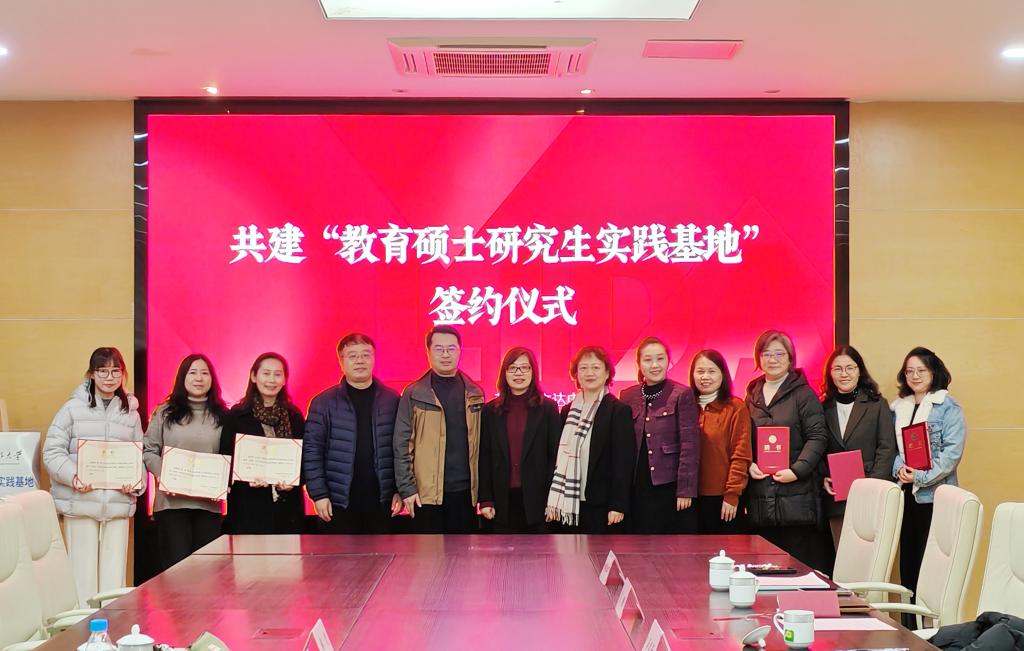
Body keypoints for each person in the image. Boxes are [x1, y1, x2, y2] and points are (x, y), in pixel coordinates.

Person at [43, 347, 144, 606]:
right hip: (80, 503)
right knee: (81, 577)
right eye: (103, 371)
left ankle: (112, 626)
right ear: (91, 374)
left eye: (115, 371)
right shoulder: (72, 409)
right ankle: (81, 627)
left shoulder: (130, 413)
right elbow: (52, 452)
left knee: (114, 581)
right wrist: (74, 476)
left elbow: (139, 454)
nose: (110, 377)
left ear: (123, 374)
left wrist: (136, 483)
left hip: (117, 504)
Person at [744, 330, 831, 573]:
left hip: (797, 498)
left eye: (779, 354)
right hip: (761, 496)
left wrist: (797, 470)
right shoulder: (752, 395)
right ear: (759, 358)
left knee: (796, 570)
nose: (773, 359)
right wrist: (749, 463)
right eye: (767, 354)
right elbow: (744, 437)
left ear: (790, 358)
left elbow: (817, 437)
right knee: (764, 570)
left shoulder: (803, 394)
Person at [302, 333, 402, 534]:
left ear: (373, 358)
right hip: (338, 501)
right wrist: (319, 495)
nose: (360, 360)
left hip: (382, 501)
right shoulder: (323, 403)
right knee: (340, 554)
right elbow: (312, 452)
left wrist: (400, 490)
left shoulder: (392, 400)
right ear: (341, 361)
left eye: (366, 355)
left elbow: (403, 449)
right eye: (352, 356)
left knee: (382, 553)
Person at [891, 347, 965, 615]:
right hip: (906, 496)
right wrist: (900, 470)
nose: (915, 376)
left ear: (934, 372)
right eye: (909, 371)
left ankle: (931, 627)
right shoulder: (898, 408)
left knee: (931, 566)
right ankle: (909, 626)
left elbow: (952, 453)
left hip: (935, 496)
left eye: (921, 370)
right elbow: (891, 448)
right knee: (908, 565)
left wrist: (921, 476)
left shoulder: (947, 406)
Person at [394, 326, 485, 533]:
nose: (445, 354)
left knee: (464, 552)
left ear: (460, 351)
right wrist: (407, 488)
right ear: (428, 352)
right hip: (425, 495)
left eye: (451, 349)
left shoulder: (475, 393)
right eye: (439, 349)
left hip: (466, 493)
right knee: (429, 552)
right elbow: (402, 445)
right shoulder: (414, 393)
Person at [144, 354, 227, 569]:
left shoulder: (223, 416)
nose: (199, 378)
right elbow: (149, 450)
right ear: (182, 377)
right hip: (171, 505)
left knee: (207, 572)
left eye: (204, 373)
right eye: (193, 372)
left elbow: (230, 456)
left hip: (208, 506)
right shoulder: (164, 412)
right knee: (176, 571)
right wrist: (163, 474)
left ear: (212, 379)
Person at [546, 346, 636, 534]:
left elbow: (623, 463)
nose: (589, 373)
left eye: (595, 367)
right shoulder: (567, 410)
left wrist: (618, 504)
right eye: (583, 368)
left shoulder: (618, 411)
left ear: (607, 373)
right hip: (568, 502)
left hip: (601, 505)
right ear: (576, 374)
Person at [619, 337, 700, 534]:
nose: (654, 365)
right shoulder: (627, 395)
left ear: (668, 361)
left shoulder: (682, 394)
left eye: (660, 359)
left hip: (668, 485)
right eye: (648, 360)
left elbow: (690, 446)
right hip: (637, 484)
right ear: (639, 364)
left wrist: (685, 490)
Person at [219, 352, 306, 534]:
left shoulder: (294, 416)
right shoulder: (237, 416)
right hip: (248, 507)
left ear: (284, 380)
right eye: (266, 373)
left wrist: (295, 481)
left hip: (287, 509)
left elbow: (306, 458)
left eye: (277, 374)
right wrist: (245, 477)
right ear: (253, 376)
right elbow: (225, 458)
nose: (271, 380)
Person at [820, 345, 897, 548]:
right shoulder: (822, 407)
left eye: (850, 368)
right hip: (836, 497)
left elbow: (886, 448)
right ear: (830, 373)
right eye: (838, 369)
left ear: (859, 371)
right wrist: (823, 476)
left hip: (870, 494)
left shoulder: (877, 404)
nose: (844, 374)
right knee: (841, 555)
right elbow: (817, 447)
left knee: (870, 556)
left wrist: (871, 487)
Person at [478, 347, 561, 533]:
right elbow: (484, 456)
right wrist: (486, 499)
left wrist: (553, 499)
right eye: (513, 368)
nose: (519, 373)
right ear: (504, 373)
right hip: (501, 501)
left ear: (533, 372)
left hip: (539, 501)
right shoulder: (490, 411)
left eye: (524, 367)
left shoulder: (548, 409)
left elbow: (555, 457)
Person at [690, 349, 752, 535]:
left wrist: (732, 495)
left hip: (723, 499)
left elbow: (741, 454)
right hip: (689, 498)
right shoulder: (685, 406)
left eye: (712, 371)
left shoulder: (735, 407)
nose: (705, 377)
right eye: (700, 371)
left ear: (723, 374)